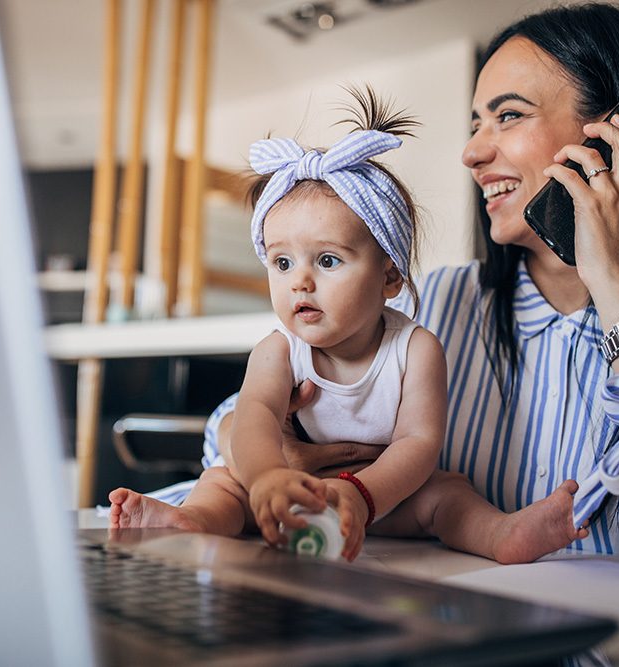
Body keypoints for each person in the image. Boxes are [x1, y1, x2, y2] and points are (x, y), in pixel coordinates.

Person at [143, 4, 619, 579]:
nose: (473, 152)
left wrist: (616, 286)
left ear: (613, 137)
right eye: (476, 123)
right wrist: (281, 453)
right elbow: (231, 425)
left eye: (508, 116)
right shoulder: (443, 301)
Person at [110, 90, 587, 562]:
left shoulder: (416, 348)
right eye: (281, 262)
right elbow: (252, 418)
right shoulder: (279, 351)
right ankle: (192, 521)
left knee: (447, 495)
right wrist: (267, 478)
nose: (299, 281)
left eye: (328, 259)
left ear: (389, 275)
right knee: (222, 484)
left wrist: (361, 495)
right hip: (279, 492)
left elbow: (418, 444)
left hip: (379, 495)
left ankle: (502, 535)